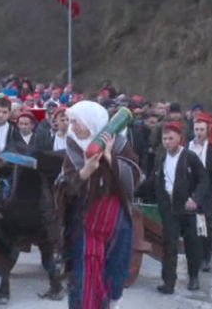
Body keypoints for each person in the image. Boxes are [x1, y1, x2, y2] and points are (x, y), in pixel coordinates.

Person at [57, 100, 141, 309]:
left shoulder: (119, 143)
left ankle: (111, 301)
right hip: (85, 219)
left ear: (91, 123)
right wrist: (85, 172)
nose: (72, 126)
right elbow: (63, 187)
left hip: (114, 217)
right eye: (71, 121)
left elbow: (136, 178)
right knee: (85, 272)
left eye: (77, 122)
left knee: (114, 267)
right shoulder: (73, 146)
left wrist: (109, 157)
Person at [152, 121, 208, 294]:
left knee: (192, 245)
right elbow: (155, 180)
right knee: (169, 245)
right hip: (169, 207)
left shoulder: (189, 156)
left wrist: (195, 199)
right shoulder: (161, 157)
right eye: (164, 138)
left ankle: (193, 277)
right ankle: (168, 282)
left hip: (187, 208)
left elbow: (203, 179)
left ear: (179, 139)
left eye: (170, 138)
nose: (167, 142)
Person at [188, 113, 212, 273]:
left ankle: (206, 258)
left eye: (202, 129)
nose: (199, 132)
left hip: (208, 192)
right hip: (191, 190)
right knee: (193, 226)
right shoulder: (188, 146)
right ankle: (195, 255)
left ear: (207, 130)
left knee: (207, 225)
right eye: (196, 129)